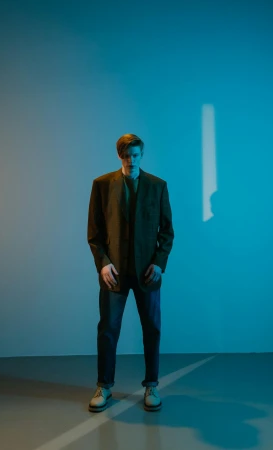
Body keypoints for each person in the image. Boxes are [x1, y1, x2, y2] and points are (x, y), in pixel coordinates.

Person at [86, 134, 174, 413]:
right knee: (108, 330)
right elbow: (94, 233)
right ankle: (105, 385)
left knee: (152, 328)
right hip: (114, 272)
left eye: (135, 155)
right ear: (119, 155)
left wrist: (159, 263)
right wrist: (103, 263)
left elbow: (167, 232)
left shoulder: (157, 186)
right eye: (126, 155)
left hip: (148, 272)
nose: (131, 160)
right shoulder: (101, 185)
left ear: (141, 155)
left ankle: (151, 385)